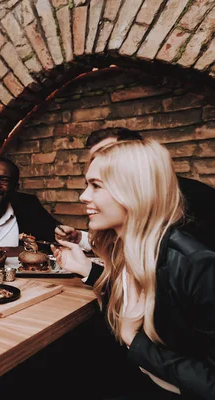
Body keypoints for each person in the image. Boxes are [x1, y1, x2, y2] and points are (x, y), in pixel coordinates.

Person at [52, 139, 215, 399]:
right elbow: (133, 300)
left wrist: (133, 339)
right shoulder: (125, 247)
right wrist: (85, 268)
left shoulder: (195, 264)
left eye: (96, 185)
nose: (84, 196)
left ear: (133, 191)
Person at [56, 127, 215, 250]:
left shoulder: (197, 196)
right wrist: (82, 239)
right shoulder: (111, 202)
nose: (98, 162)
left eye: (110, 153)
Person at [0, 157, 61, 268]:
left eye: (4, 180)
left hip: (20, 279)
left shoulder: (28, 205)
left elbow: (51, 241)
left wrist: (8, 251)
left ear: (15, 187)